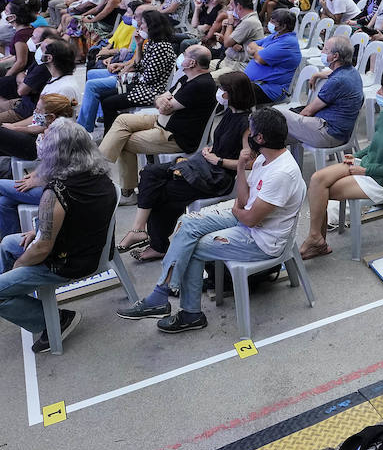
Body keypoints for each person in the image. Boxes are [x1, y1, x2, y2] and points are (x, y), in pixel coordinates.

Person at [116, 107, 307, 332]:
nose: (247, 137)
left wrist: (238, 210)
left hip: (263, 241)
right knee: (186, 224)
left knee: (192, 246)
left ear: (260, 138)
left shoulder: (282, 173)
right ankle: (162, 295)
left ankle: (188, 313)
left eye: (250, 132)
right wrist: (241, 168)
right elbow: (244, 200)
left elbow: (249, 218)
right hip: (247, 221)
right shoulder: (262, 160)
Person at [0, 120, 118, 354]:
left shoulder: (56, 191)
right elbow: (77, 219)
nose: (41, 145)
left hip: (68, 263)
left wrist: (19, 267)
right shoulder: (98, 176)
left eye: (45, 142)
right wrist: (38, 231)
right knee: (8, 243)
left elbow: (42, 250)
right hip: (90, 250)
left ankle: (56, 319)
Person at [117, 71, 255, 260]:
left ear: (231, 93)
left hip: (217, 177)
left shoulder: (247, 123)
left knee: (162, 191)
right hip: (205, 164)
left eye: (222, 89)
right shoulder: (230, 113)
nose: (219, 91)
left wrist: (219, 161)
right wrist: (211, 150)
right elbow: (224, 143)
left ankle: (155, 243)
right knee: (150, 172)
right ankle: (141, 230)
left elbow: (249, 164)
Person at [299, 75, 383, 259]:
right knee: (317, 180)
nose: (378, 93)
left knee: (323, 190)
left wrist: (365, 170)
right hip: (365, 165)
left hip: (379, 181)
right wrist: (356, 157)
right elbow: (374, 146)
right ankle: (317, 239)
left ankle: (317, 241)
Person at [101, 44, 218, 204]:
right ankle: (99, 165)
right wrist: (161, 100)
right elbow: (161, 99)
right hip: (161, 122)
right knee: (122, 120)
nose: (181, 56)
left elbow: (165, 108)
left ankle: (127, 193)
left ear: (192, 63)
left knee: (124, 142)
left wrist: (163, 101)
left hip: (174, 135)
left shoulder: (201, 84)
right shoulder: (187, 77)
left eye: (185, 54)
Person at [0, 94, 76, 245]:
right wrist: (35, 175)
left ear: (51, 117)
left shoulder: (60, 135)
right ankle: (12, 245)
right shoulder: (51, 130)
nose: (35, 112)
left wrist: (37, 180)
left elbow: (65, 170)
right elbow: (50, 163)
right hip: (52, 186)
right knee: (3, 202)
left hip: (60, 193)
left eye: (38, 110)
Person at [95, 11, 180, 133]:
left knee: (109, 102)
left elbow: (150, 77)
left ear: (152, 26)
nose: (140, 26)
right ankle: (112, 133)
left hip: (152, 91)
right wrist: (139, 45)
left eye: (143, 24)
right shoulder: (152, 43)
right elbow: (140, 65)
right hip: (144, 85)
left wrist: (129, 77)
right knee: (104, 95)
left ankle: (111, 135)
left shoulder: (161, 47)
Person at [285, 34, 363, 149]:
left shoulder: (337, 81)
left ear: (335, 56)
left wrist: (296, 123)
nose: (322, 51)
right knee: (277, 130)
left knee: (279, 116)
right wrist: (318, 74)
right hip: (336, 128)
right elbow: (332, 73)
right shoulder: (351, 71)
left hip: (329, 133)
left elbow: (308, 112)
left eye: (326, 49)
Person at [243, 8, 303, 104]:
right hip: (256, 83)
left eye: (273, 21)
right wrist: (261, 51)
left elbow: (259, 59)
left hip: (269, 89)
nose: (269, 23)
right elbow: (250, 45)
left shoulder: (288, 43)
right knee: (230, 83)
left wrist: (258, 52)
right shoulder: (275, 35)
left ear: (283, 26)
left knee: (236, 90)